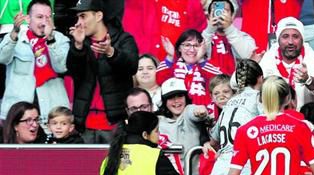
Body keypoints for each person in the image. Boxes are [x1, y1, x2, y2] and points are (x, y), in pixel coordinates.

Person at [66, 0, 139, 143]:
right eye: (78, 17)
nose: (79, 22)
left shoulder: (123, 39)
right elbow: (73, 71)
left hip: (114, 125)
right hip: (85, 125)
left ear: (98, 16)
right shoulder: (79, 42)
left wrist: (111, 52)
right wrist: (78, 47)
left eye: (83, 16)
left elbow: (132, 66)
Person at [0, 0, 69, 127]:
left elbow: (61, 67)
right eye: (39, 17)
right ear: (28, 18)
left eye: (48, 17)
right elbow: (2, 58)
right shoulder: (16, 37)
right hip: (19, 115)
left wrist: (50, 40)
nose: (44, 22)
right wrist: (14, 33)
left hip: (52, 114)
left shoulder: (60, 39)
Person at [258, 17, 314, 109]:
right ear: (278, 40)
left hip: (306, 118)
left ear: (302, 40)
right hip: (275, 118)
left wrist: (308, 80)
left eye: (295, 36)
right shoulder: (268, 60)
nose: (290, 42)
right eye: (285, 36)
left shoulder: (312, 59)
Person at [156, 29, 223, 106]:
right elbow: (160, 79)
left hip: (204, 113)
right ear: (179, 48)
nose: (192, 50)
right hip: (178, 112)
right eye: (187, 45)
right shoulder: (172, 66)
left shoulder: (209, 66)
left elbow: (219, 82)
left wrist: (201, 60)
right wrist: (170, 57)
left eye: (196, 45)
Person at [156, 78, 210, 166]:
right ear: (165, 102)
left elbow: (195, 111)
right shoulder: (158, 121)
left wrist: (200, 111)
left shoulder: (188, 111)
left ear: (186, 98)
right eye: (170, 97)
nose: (176, 101)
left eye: (180, 96)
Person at [203, 0, 256, 75]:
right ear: (209, 16)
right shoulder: (203, 37)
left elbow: (248, 57)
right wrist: (209, 30)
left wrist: (229, 29)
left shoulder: (244, 37)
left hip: (236, 83)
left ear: (232, 15)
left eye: (225, 11)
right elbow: (199, 56)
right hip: (210, 83)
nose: (220, 14)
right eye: (216, 11)